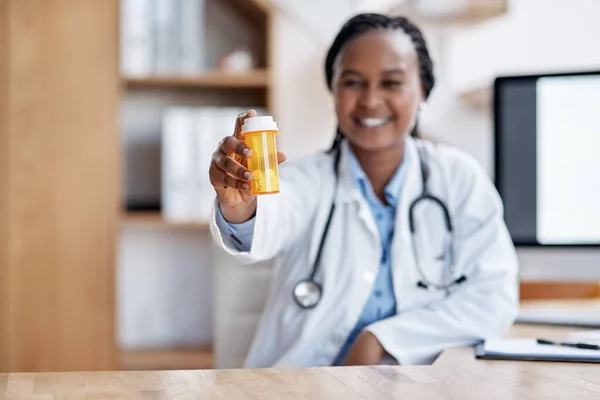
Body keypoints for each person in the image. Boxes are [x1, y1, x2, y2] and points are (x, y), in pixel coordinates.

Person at [208, 13, 519, 368]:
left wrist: (381, 340)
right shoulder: (306, 179)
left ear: (423, 91)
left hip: (415, 386)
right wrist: (240, 206)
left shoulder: (458, 179)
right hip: (304, 387)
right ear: (334, 92)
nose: (371, 100)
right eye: (353, 82)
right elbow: (274, 214)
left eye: (391, 83)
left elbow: (493, 298)